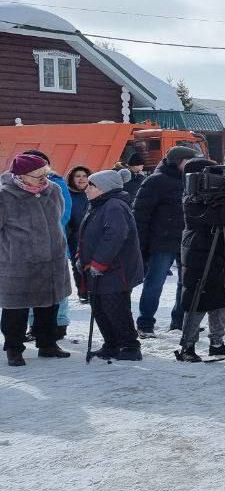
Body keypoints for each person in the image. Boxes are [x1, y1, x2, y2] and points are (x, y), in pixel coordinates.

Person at [1, 154, 73, 366]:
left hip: (52, 260)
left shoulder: (54, 191)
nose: (44, 179)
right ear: (21, 176)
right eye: (37, 175)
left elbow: (59, 219)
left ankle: (47, 344)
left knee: (49, 304)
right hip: (18, 263)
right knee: (16, 309)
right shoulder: (5, 196)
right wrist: (11, 250)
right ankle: (14, 348)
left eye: (46, 173)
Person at [175, 159, 225, 362]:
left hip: (219, 250)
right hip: (199, 252)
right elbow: (217, 218)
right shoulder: (191, 198)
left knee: (222, 295)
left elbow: (223, 215)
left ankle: (217, 343)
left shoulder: (215, 196)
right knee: (197, 298)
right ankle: (187, 346)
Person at [79, 169, 145, 361]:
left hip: (115, 270)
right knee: (99, 307)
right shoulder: (99, 204)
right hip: (99, 269)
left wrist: (99, 263)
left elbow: (114, 237)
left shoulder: (114, 206)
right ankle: (112, 343)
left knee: (115, 308)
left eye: (91, 185)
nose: (86, 189)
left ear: (104, 188)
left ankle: (130, 346)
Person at [133, 145, 198, 337]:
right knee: (154, 282)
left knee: (186, 283)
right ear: (178, 162)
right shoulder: (156, 181)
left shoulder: (192, 181)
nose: (193, 164)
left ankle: (179, 321)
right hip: (161, 241)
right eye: (189, 161)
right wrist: (141, 242)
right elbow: (141, 213)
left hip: (186, 240)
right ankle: (145, 323)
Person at [66, 165, 92, 303]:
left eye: (84, 176)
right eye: (78, 176)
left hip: (93, 235)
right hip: (75, 236)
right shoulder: (67, 195)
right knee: (78, 265)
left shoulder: (93, 192)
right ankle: (83, 292)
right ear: (72, 179)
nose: (81, 179)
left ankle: (93, 290)